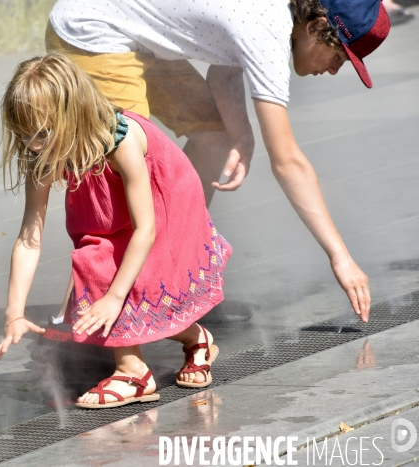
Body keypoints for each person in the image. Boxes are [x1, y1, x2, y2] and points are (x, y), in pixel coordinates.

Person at [46, 0, 391, 323]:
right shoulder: (268, 31)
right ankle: (74, 323)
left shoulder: (269, 13)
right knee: (126, 180)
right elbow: (288, 162)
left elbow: (223, 72)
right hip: (92, 33)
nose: (333, 70)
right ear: (316, 27)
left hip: (128, 30)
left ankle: (175, 289)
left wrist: (240, 137)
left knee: (215, 140)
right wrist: (340, 257)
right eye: (340, 57)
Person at [0, 53, 232, 407]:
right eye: (24, 135)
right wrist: (14, 313)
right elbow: (30, 236)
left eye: (42, 134)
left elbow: (145, 229)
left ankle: (134, 373)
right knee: (97, 265)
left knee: (114, 277)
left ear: (72, 114)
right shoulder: (41, 149)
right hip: (113, 211)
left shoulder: (120, 140)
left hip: (165, 201)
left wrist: (114, 297)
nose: (33, 145)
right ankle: (197, 338)